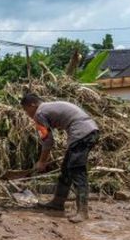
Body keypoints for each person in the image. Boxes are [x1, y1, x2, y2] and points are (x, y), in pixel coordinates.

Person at [21, 94, 99, 223]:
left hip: (81, 133)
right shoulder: (48, 108)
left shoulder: (39, 113)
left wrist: (42, 162)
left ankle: (82, 212)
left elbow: (47, 140)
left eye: (26, 110)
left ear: (32, 105)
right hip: (88, 131)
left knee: (77, 171)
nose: (27, 113)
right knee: (66, 170)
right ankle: (58, 202)